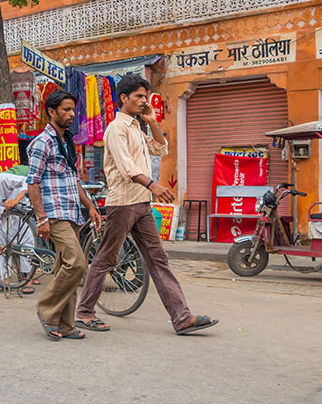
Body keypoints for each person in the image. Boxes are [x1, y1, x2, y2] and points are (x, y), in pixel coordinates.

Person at [75, 74, 217, 335]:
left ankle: (182, 317)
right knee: (107, 257)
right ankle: (84, 312)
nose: (144, 100)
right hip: (123, 203)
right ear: (124, 98)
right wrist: (153, 185)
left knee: (158, 258)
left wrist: (151, 122)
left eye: (145, 96)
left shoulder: (137, 128)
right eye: (139, 96)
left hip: (141, 203)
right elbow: (127, 168)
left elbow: (161, 149)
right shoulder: (116, 129)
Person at [27, 89, 102, 340]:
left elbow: (74, 180)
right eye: (66, 110)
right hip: (54, 214)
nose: (72, 114)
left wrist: (90, 206)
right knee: (77, 263)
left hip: (72, 212)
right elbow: (33, 182)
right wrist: (41, 218)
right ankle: (46, 310)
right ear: (51, 112)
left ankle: (66, 325)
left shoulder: (68, 141)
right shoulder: (42, 142)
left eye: (73, 110)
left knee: (66, 269)